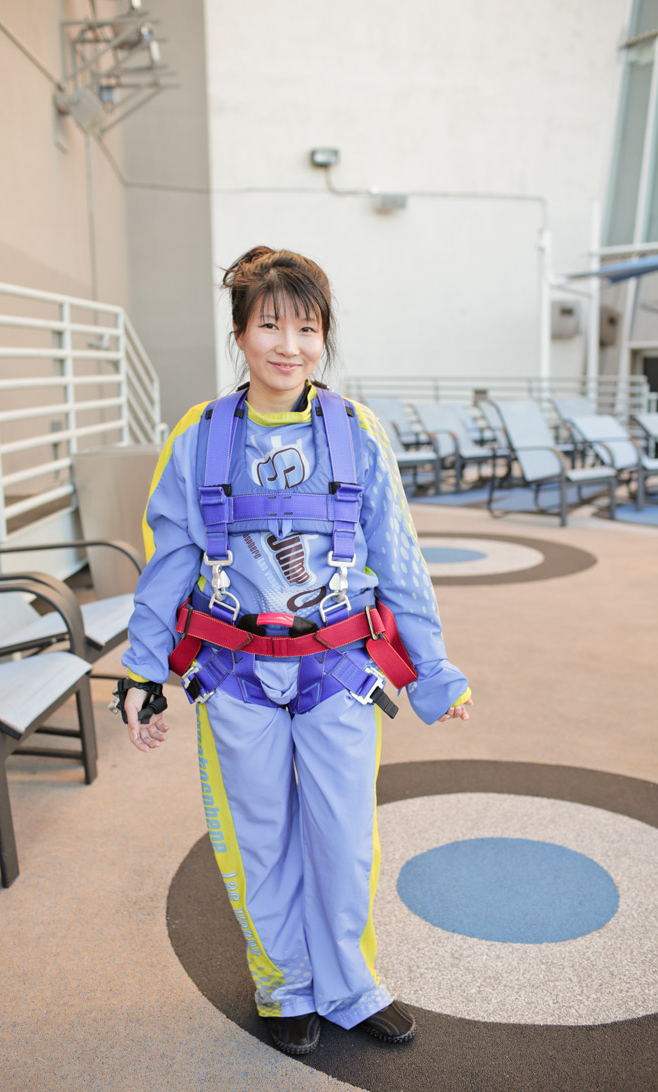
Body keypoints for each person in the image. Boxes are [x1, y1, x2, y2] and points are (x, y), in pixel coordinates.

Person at [115, 245, 472, 1056]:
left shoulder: (356, 432)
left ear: (324, 337)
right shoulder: (200, 435)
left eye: (307, 328)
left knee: (343, 840)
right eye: (270, 325)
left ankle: (350, 986)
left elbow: (399, 558)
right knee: (259, 838)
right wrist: (141, 672)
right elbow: (168, 559)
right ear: (240, 333)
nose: (289, 345)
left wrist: (434, 671)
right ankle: (285, 985)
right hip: (234, 675)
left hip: (339, 671)